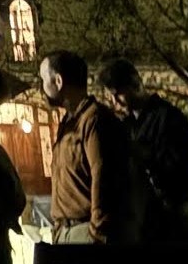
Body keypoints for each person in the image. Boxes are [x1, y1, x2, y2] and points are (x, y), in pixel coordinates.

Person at [97, 59, 188, 244]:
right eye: (110, 96)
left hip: (171, 209)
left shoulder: (168, 117)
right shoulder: (128, 124)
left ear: (134, 84)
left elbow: (182, 162)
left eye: (117, 94)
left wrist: (144, 155)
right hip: (145, 214)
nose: (114, 101)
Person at [42, 51, 135, 244]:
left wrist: (97, 233)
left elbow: (103, 177)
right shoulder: (69, 123)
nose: (42, 87)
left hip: (85, 233)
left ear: (58, 81)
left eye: (43, 79)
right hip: (67, 232)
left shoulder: (95, 120)